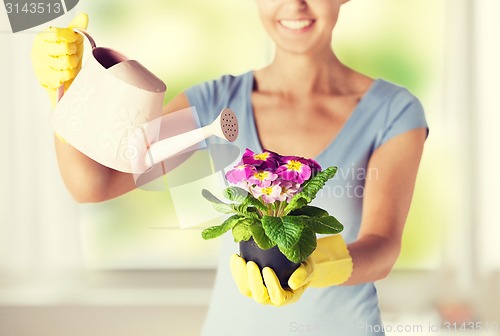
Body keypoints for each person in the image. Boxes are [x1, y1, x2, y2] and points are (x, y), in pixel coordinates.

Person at [31, 0, 428, 335]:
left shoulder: (393, 111)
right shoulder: (214, 103)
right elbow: (94, 185)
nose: (295, 5)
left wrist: (316, 263)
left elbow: (384, 246)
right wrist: (64, 91)